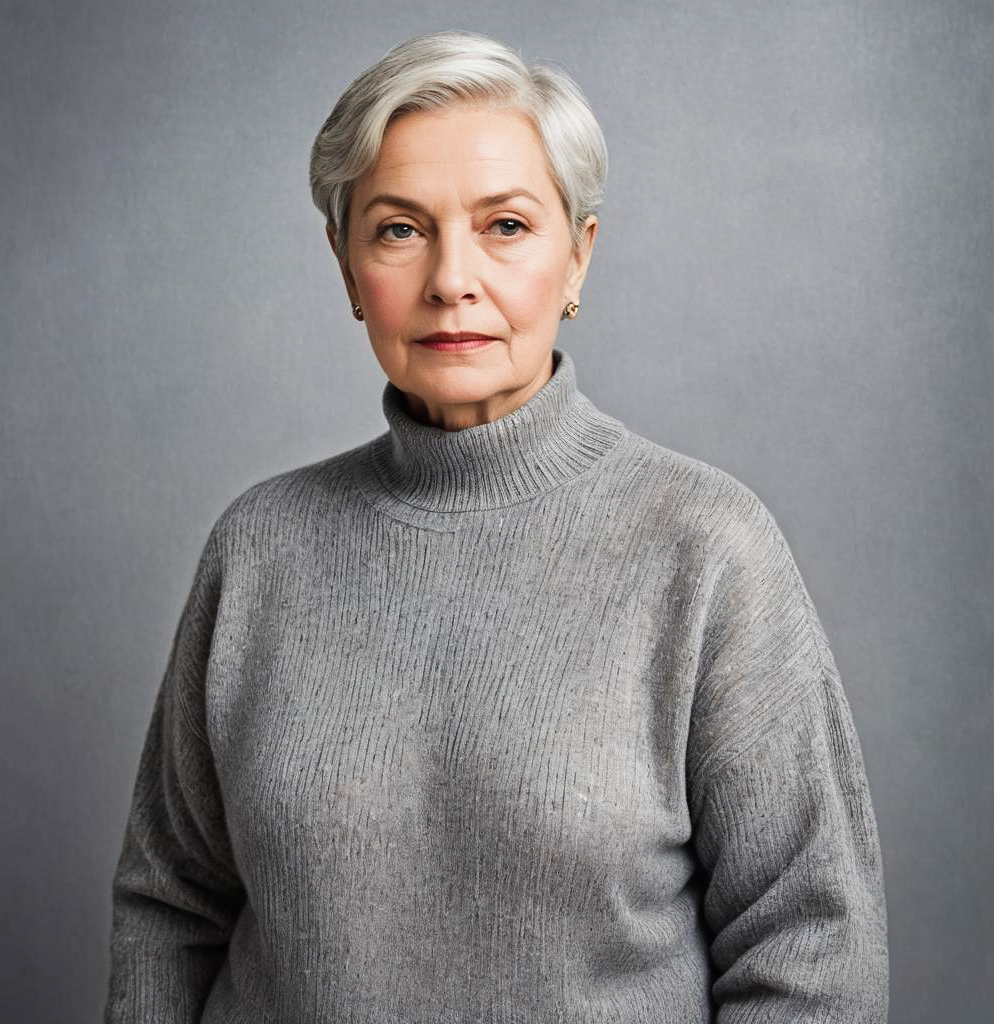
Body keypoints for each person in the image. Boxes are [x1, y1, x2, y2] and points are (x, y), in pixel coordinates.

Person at [104, 29, 889, 1023]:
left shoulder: (704, 549)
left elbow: (813, 944)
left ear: (577, 257)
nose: (450, 279)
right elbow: (168, 910)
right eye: (398, 228)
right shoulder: (258, 550)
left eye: (505, 225)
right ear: (348, 268)